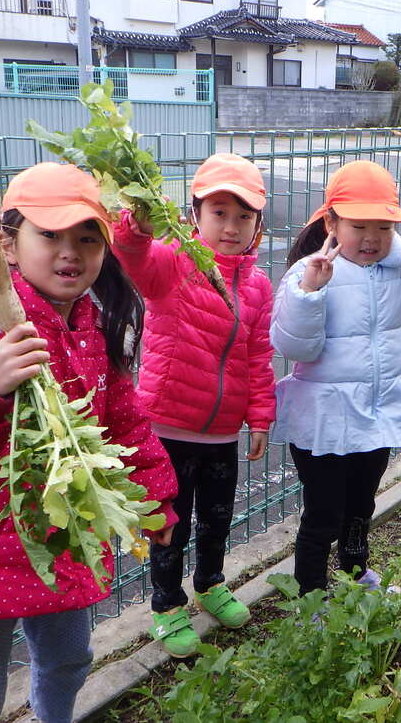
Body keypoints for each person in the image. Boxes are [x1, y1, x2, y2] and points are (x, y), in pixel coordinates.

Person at [0, 162, 177, 723]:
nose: (70, 252)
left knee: (69, 662)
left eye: (86, 238)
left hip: (63, 537)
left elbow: (125, 424)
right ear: (7, 243)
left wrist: (155, 501)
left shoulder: (91, 325)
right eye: (49, 235)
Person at [271, 160, 401, 597]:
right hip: (325, 419)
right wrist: (311, 292)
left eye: (383, 227)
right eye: (358, 225)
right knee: (323, 512)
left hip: (377, 410)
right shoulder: (307, 272)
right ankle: (311, 593)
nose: (371, 239)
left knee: (361, 503)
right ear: (331, 222)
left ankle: (355, 572)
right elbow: (294, 347)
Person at [111, 152, 276, 658]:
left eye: (243, 217)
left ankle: (210, 583)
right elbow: (132, 256)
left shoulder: (258, 286)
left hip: (223, 433)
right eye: (219, 213)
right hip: (168, 429)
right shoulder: (174, 262)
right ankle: (166, 605)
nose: (231, 227)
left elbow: (258, 353)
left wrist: (260, 415)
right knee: (168, 525)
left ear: (257, 226)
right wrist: (135, 228)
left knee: (217, 520)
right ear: (194, 215)